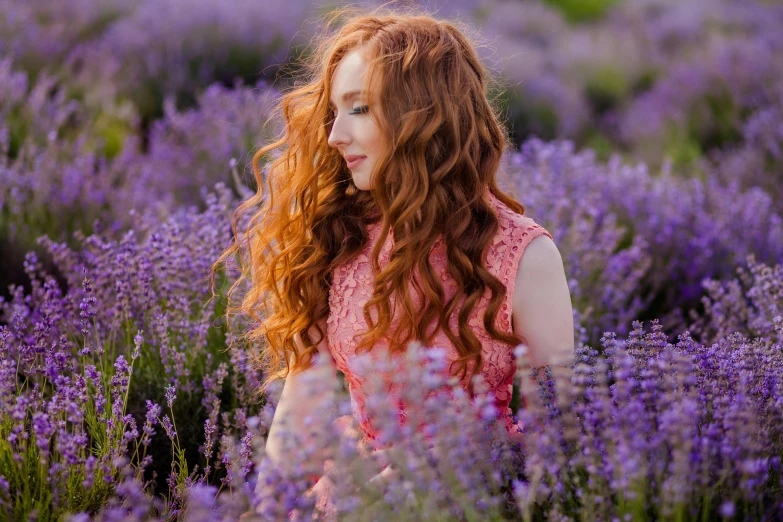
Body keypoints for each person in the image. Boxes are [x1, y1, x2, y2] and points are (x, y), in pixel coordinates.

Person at [217, 5, 575, 520]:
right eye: (334, 112)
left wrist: (456, 464)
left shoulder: (524, 255)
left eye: (358, 109)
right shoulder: (340, 239)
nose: (335, 134)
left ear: (422, 116)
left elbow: (561, 433)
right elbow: (300, 413)